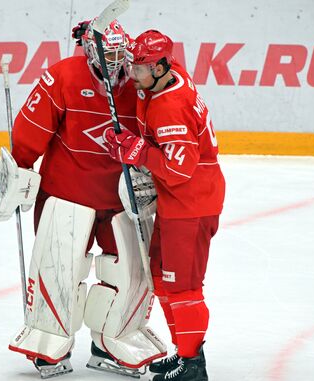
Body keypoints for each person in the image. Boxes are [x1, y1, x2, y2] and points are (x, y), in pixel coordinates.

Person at [0, 20, 166, 379]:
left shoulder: (142, 85)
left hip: (122, 199)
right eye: (107, 54)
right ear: (91, 53)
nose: (116, 64)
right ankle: (50, 340)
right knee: (59, 269)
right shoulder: (62, 77)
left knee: (130, 272)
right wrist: (18, 172)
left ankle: (115, 337)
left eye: (120, 54)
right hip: (67, 194)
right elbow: (29, 134)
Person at [104, 30, 226, 381]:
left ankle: (193, 367)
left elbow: (179, 168)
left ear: (160, 68)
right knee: (161, 278)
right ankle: (185, 353)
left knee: (183, 288)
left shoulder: (171, 109)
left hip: (192, 205)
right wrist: (130, 143)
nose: (133, 73)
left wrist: (137, 151)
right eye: (133, 64)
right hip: (176, 205)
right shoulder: (166, 80)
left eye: (140, 68)